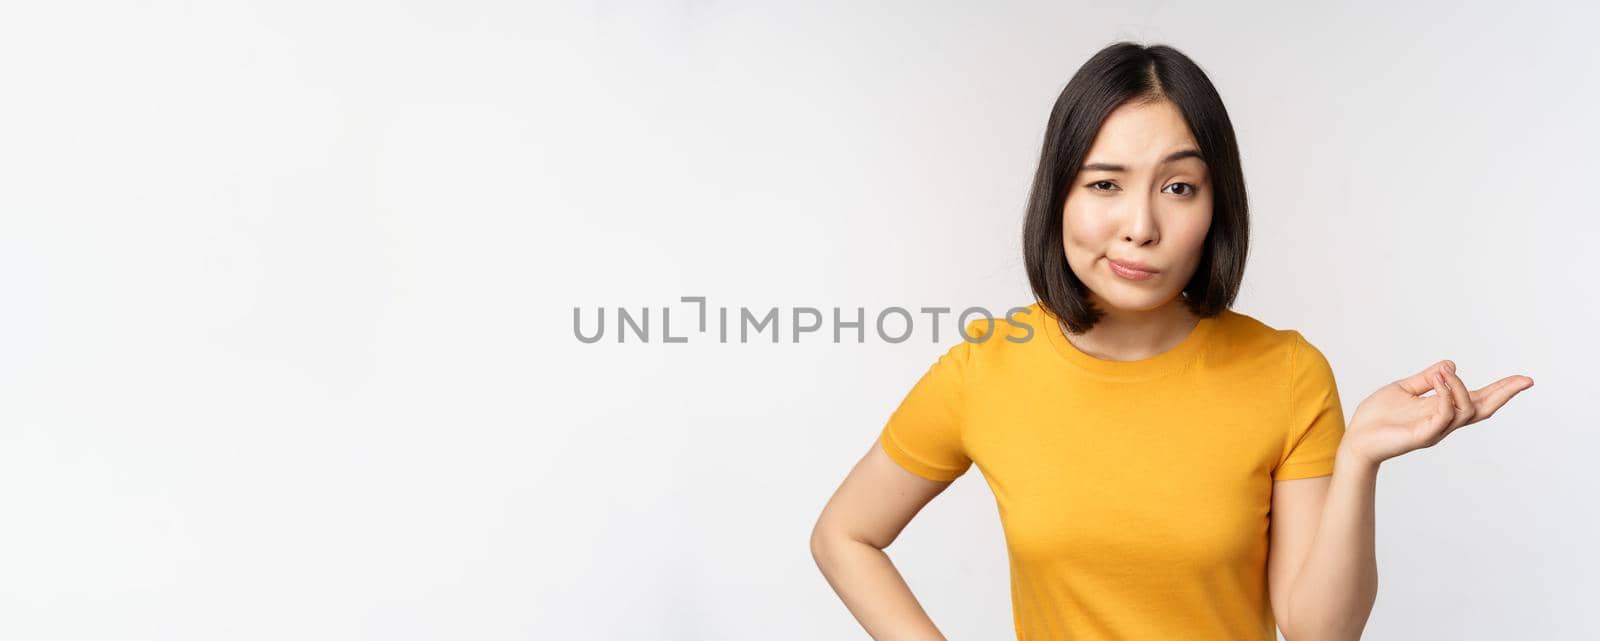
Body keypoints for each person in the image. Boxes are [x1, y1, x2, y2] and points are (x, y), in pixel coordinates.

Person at [808, 41, 1534, 641]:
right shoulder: (986, 367)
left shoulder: (1286, 372)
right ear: (1058, 192)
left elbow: (1318, 632)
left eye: (1179, 187)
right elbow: (844, 534)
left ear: (1216, 206)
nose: (1141, 225)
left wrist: (1359, 460)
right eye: (1105, 184)